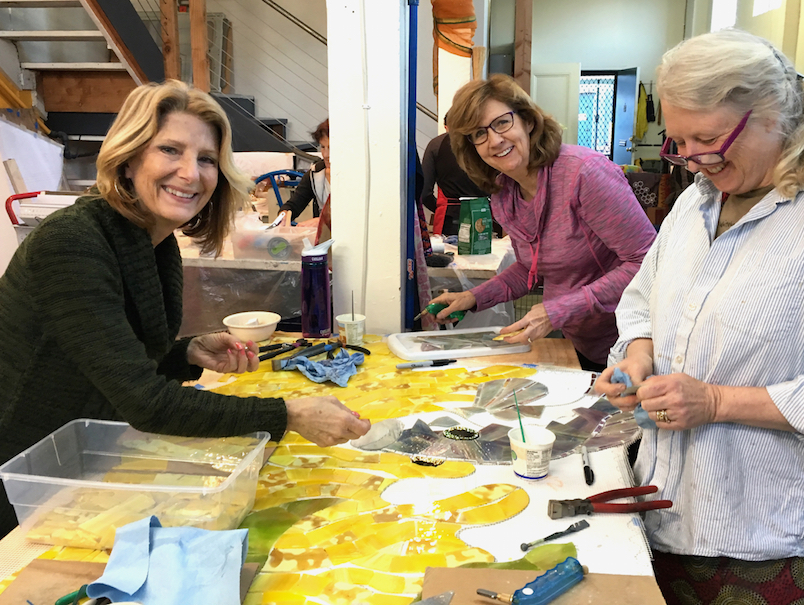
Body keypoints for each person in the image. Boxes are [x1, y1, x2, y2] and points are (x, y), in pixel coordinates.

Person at [0, 81, 369, 538]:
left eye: (207, 158)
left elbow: (110, 356)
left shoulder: (156, 243)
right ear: (130, 156)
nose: (190, 173)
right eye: (170, 150)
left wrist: (187, 352)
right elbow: (145, 402)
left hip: (82, 459)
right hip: (19, 474)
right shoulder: (72, 243)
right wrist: (288, 414)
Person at [593, 30, 804, 604]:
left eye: (709, 139)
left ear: (776, 115)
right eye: (679, 141)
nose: (691, 158)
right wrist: (637, 357)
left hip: (757, 537)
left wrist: (715, 402)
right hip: (657, 502)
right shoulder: (696, 201)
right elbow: (643, 299)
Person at [428, 74, 656, 371]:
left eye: (502, 123)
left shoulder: (584, 174)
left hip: (636, 343)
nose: (494, 140)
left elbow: (647, 263)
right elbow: (529, 269)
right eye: (479, 134)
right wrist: (472, 297)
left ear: (528, 121)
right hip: (581, 340)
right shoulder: (505, 192)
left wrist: (557, 310)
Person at [421, 112, 489, 236]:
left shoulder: (436, 144)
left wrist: (441, 208)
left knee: (450, 254)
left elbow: (424, 192)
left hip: (449, 218)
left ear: (447, 127)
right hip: (484, 214)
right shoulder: (484, 141)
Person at [264, 119, 331, 235]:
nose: (325, 155)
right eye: (323, 147)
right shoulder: (315, 173)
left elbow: (357, 216)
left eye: (331, 148)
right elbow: (294, 204)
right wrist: (284, 214)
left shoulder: (358, 177)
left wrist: (323, 222)